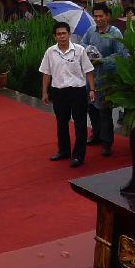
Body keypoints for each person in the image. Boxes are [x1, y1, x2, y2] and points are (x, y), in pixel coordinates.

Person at [39, 21, 97, 168]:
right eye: (59, 34)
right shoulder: (50, 52)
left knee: (80, 124)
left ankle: (78, 156)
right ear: (54, 36)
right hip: (59, 92)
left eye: (64, 33)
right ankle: (64, 150)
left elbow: (88, 71)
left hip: (77, 91)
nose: (62, 36)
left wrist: (92, 89)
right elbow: (46, 73)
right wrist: (44, 92)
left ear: (69, 35)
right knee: (61, 123)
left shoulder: (79, 50)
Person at [80, 3, 128, 157]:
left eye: (101, 16)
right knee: (92, 108)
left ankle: (107, 143)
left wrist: (103, 60)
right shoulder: (90, 31)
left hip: (106, 78)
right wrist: (88, 53)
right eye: (96, 16)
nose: (98, 19)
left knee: (104, 111)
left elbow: (122, 54)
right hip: (90, 77)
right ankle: (96, 135)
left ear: (108, 16)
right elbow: (82, 45)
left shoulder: (115, 33)